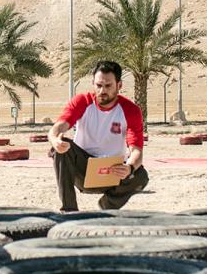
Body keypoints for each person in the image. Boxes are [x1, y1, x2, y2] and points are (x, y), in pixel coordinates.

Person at [48, 61, 149, 211]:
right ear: (93, 83)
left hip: (112, 172)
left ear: (119, 85)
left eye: (108, 86)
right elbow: (59, 126)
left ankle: (107, 205)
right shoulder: (82, 102)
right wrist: (55, 139)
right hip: (82, 169)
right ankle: (69, 211)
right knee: (62, 147)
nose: (102, 90)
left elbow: (137, 151)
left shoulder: (131, 110)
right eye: (99, 85)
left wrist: (129, 168)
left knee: (140, 175)